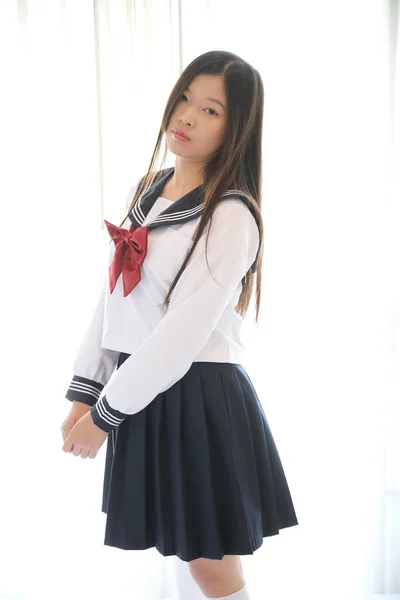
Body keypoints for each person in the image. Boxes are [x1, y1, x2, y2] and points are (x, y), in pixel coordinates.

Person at [60, 49, 298, 600]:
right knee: (185, 556)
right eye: (186, 98)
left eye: (211, 110)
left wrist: (106, 412)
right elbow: (113, 297)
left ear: (238, 127)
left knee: (212, 568)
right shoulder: (149, 188)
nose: (187, 116)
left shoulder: (232, 214)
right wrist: (85, 389)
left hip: (197, 395)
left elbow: (181, 336)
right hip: (139, 388)